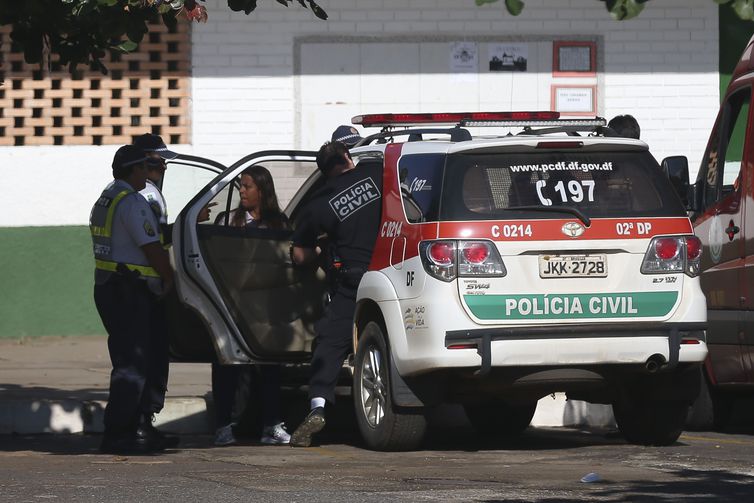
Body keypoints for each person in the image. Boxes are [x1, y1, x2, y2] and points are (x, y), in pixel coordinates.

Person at [288, 141, 383, 447]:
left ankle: (317, 407)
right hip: (393, 271)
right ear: (347, 157)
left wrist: (323, 245)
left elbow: (299, 257)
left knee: (329, 344)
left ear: (324, 170)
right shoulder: (378, 174)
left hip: (352, 281)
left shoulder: (318, 204)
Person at [90, 144, 178, 454]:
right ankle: (119, 434)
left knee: (129, 360)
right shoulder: (132, 203)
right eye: (145, 167)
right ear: (133, 170)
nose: (149, 172)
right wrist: (169, 277)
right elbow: (152, 248)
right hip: (129, 289)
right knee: (133, 365)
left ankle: (132, 429)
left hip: (111, 286)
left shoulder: (108, 196)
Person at [212, 165, 292, 446]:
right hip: (231, 308)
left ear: (262, 190)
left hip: (266, 308)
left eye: (248, 186)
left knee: (269, 369)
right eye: (241, 187)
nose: (242, 192)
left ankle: (271, 425)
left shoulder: (278, 223)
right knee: (228, 368)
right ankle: (223, 425)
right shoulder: (228, 221)